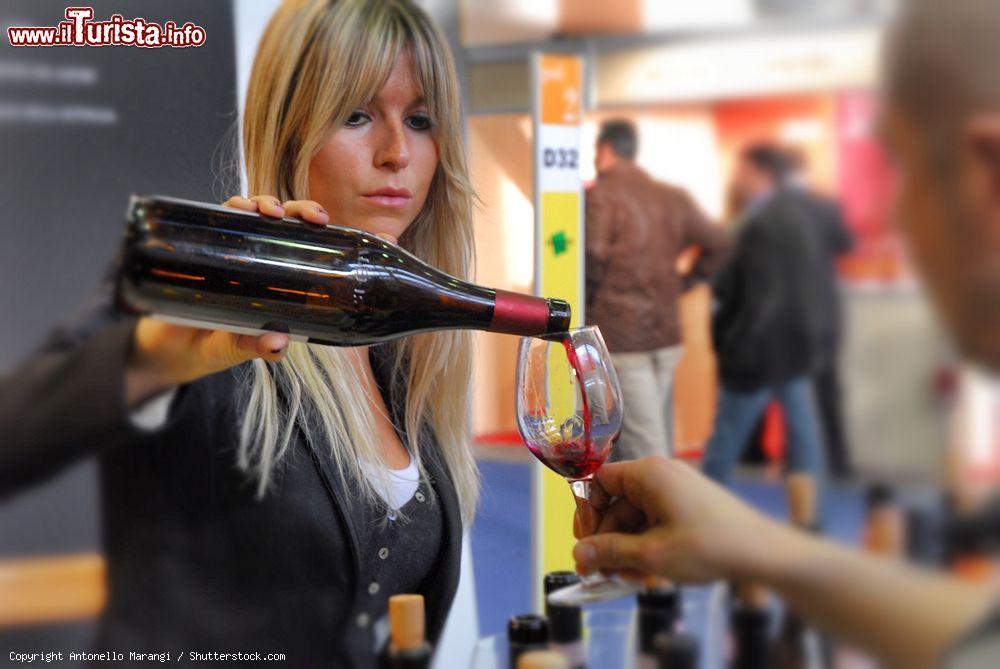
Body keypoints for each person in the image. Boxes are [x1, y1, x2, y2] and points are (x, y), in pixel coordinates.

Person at [0, 1, 478, 665]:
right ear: (288, 130)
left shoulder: (409, 359)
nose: (398, 152)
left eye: (420, 120)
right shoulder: (201, 297)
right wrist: (148, 360)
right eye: (358, 114)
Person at [572, 1, 1000, 666]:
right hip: (754, 344)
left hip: (691, 343)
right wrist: (757, 546)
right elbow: (976, 631)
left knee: (679, 451)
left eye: (905, 166)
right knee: (784, 441)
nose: (895, 210)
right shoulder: (687, 200)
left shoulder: (619, 200)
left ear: (989, 172)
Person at [585, 119, 730, 461]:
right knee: (627, 438)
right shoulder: (672, 197)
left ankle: (665, 513)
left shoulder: (600, 196)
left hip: (621, 336)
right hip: (665, 337)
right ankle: (627, 512)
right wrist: (685, 283)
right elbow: (720, 244)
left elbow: (592, 253)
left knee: (646, 450)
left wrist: (587, 301)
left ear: (605, 152)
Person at [702, 143, 830, 508]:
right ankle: (809, 520)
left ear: (762, 174)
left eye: (742, 171)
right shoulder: (792, 214)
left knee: (725, 440)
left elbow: (762, 296)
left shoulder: (763, 222)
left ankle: (700, 514)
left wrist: (736, 345)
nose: (736, 178)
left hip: (759, 351)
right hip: (792, 348)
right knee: (804, 438)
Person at [786, 149, 857, 479]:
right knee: (828, 390)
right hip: (826, 313)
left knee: (793, 395)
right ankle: (839, 462)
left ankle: (800, 466)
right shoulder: (826, 206)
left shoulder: (776, 212)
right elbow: (846, 244)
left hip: (791, 318)